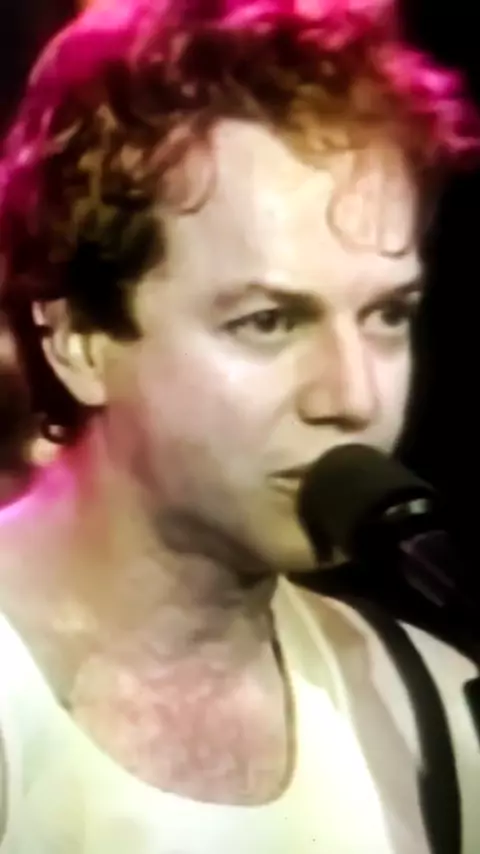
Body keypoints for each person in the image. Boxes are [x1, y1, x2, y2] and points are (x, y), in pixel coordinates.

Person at [0, 0, 478, 852]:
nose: (352, 396)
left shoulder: (433, 717)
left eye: (387, 315)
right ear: (78, 340)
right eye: (269, 322)